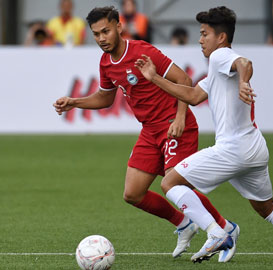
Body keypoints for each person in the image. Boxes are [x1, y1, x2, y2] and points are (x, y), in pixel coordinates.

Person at [134, 6, 273, 269]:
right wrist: (154, 78)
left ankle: (216, 233)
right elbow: (191, 96)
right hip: (255, 148)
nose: (200, 39)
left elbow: (244, 63)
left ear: (221, 38)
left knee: (170, 182)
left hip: (233, 149)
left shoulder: (220, 56)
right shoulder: (216, 69)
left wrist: (244, 81)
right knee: (267, 209)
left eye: (204, 34)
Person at [52, 6, 239, 262]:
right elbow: (105, 98)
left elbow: (184, 79)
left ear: (118, 27)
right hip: (150, 130)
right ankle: (185, 224)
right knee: (133, 193)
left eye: (105, 31)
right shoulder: (106, 62)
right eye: (96, 34)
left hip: (174, 126)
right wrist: (74, 102)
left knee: (177, 185)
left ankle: (224, 228)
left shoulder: (142, 51)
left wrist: (180, 118)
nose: (101, 38)